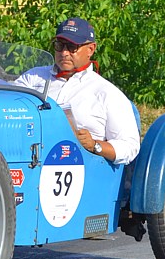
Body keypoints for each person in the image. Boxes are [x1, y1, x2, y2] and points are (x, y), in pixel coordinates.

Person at [14, 17, 140, 165]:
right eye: (60, 45)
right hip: (27, 158)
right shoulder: (33, 77)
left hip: (81, 168)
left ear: (90, 49)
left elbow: (130, 147)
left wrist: (94, 145)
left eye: (72, 47)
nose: (64, 53)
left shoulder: (107, 93)